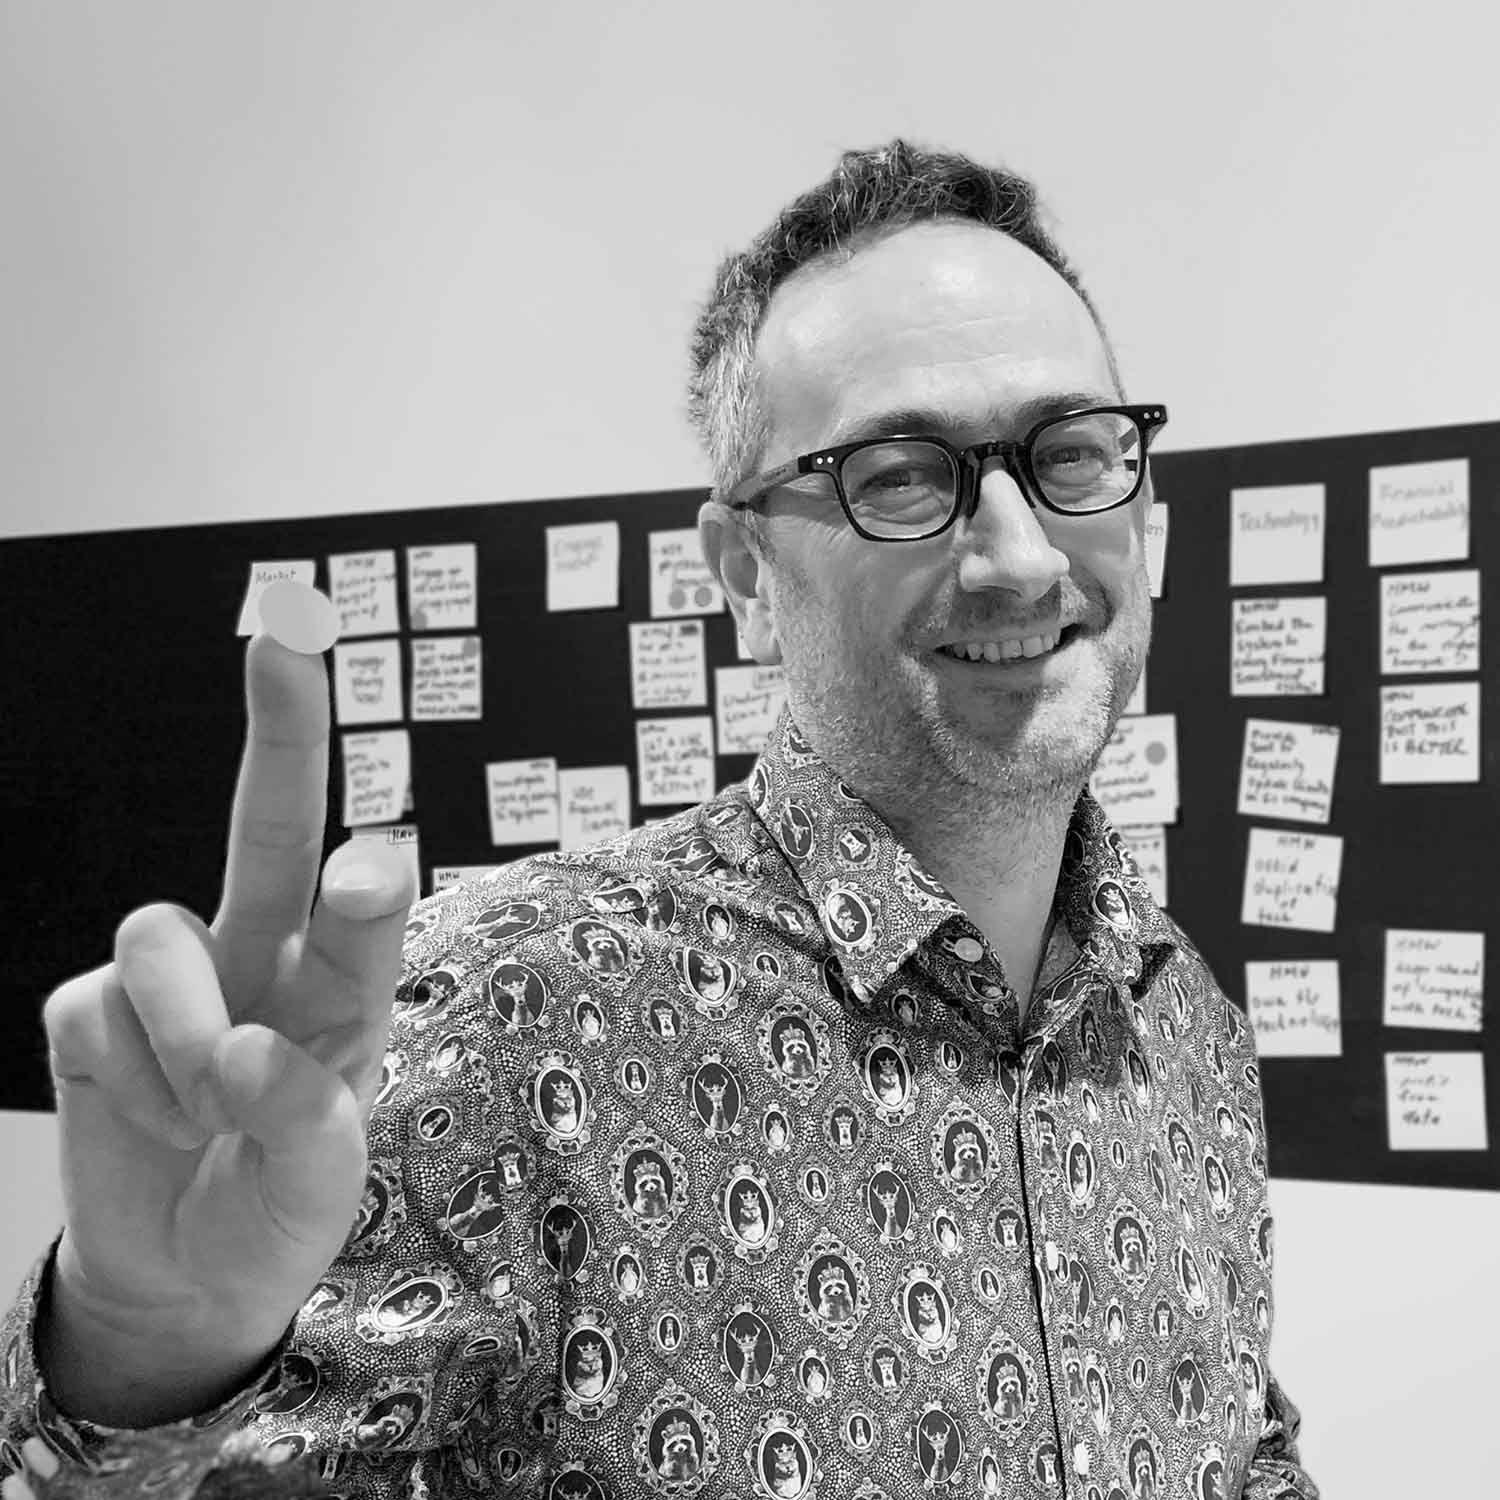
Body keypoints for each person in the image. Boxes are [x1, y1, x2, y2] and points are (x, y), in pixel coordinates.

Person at [0, 139, 1318, 1499]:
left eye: (1074, 452)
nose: (1023, 554)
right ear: (746, 573)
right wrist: (146, 1368)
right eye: (901, 476)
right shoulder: (501, 1017)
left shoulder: (1182, 1024)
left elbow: (1241, 1455)